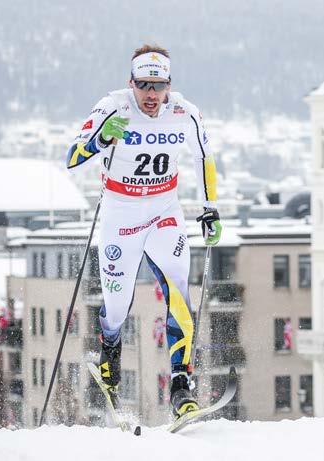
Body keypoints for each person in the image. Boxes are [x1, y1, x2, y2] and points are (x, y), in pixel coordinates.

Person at [66, 44, 221, 418]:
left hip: (164, 212)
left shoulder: (185, 112)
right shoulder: (113, 107)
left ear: (169, 84)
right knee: (118, 307)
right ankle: (110, 345)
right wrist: (102, 139)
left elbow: (204, 157)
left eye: (158, 86)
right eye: (143, 86)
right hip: (121, 218)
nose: (151, 96)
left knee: (179, 290)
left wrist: (209, 208)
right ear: (130, 83)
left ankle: (182, 384)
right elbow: (72, 158)